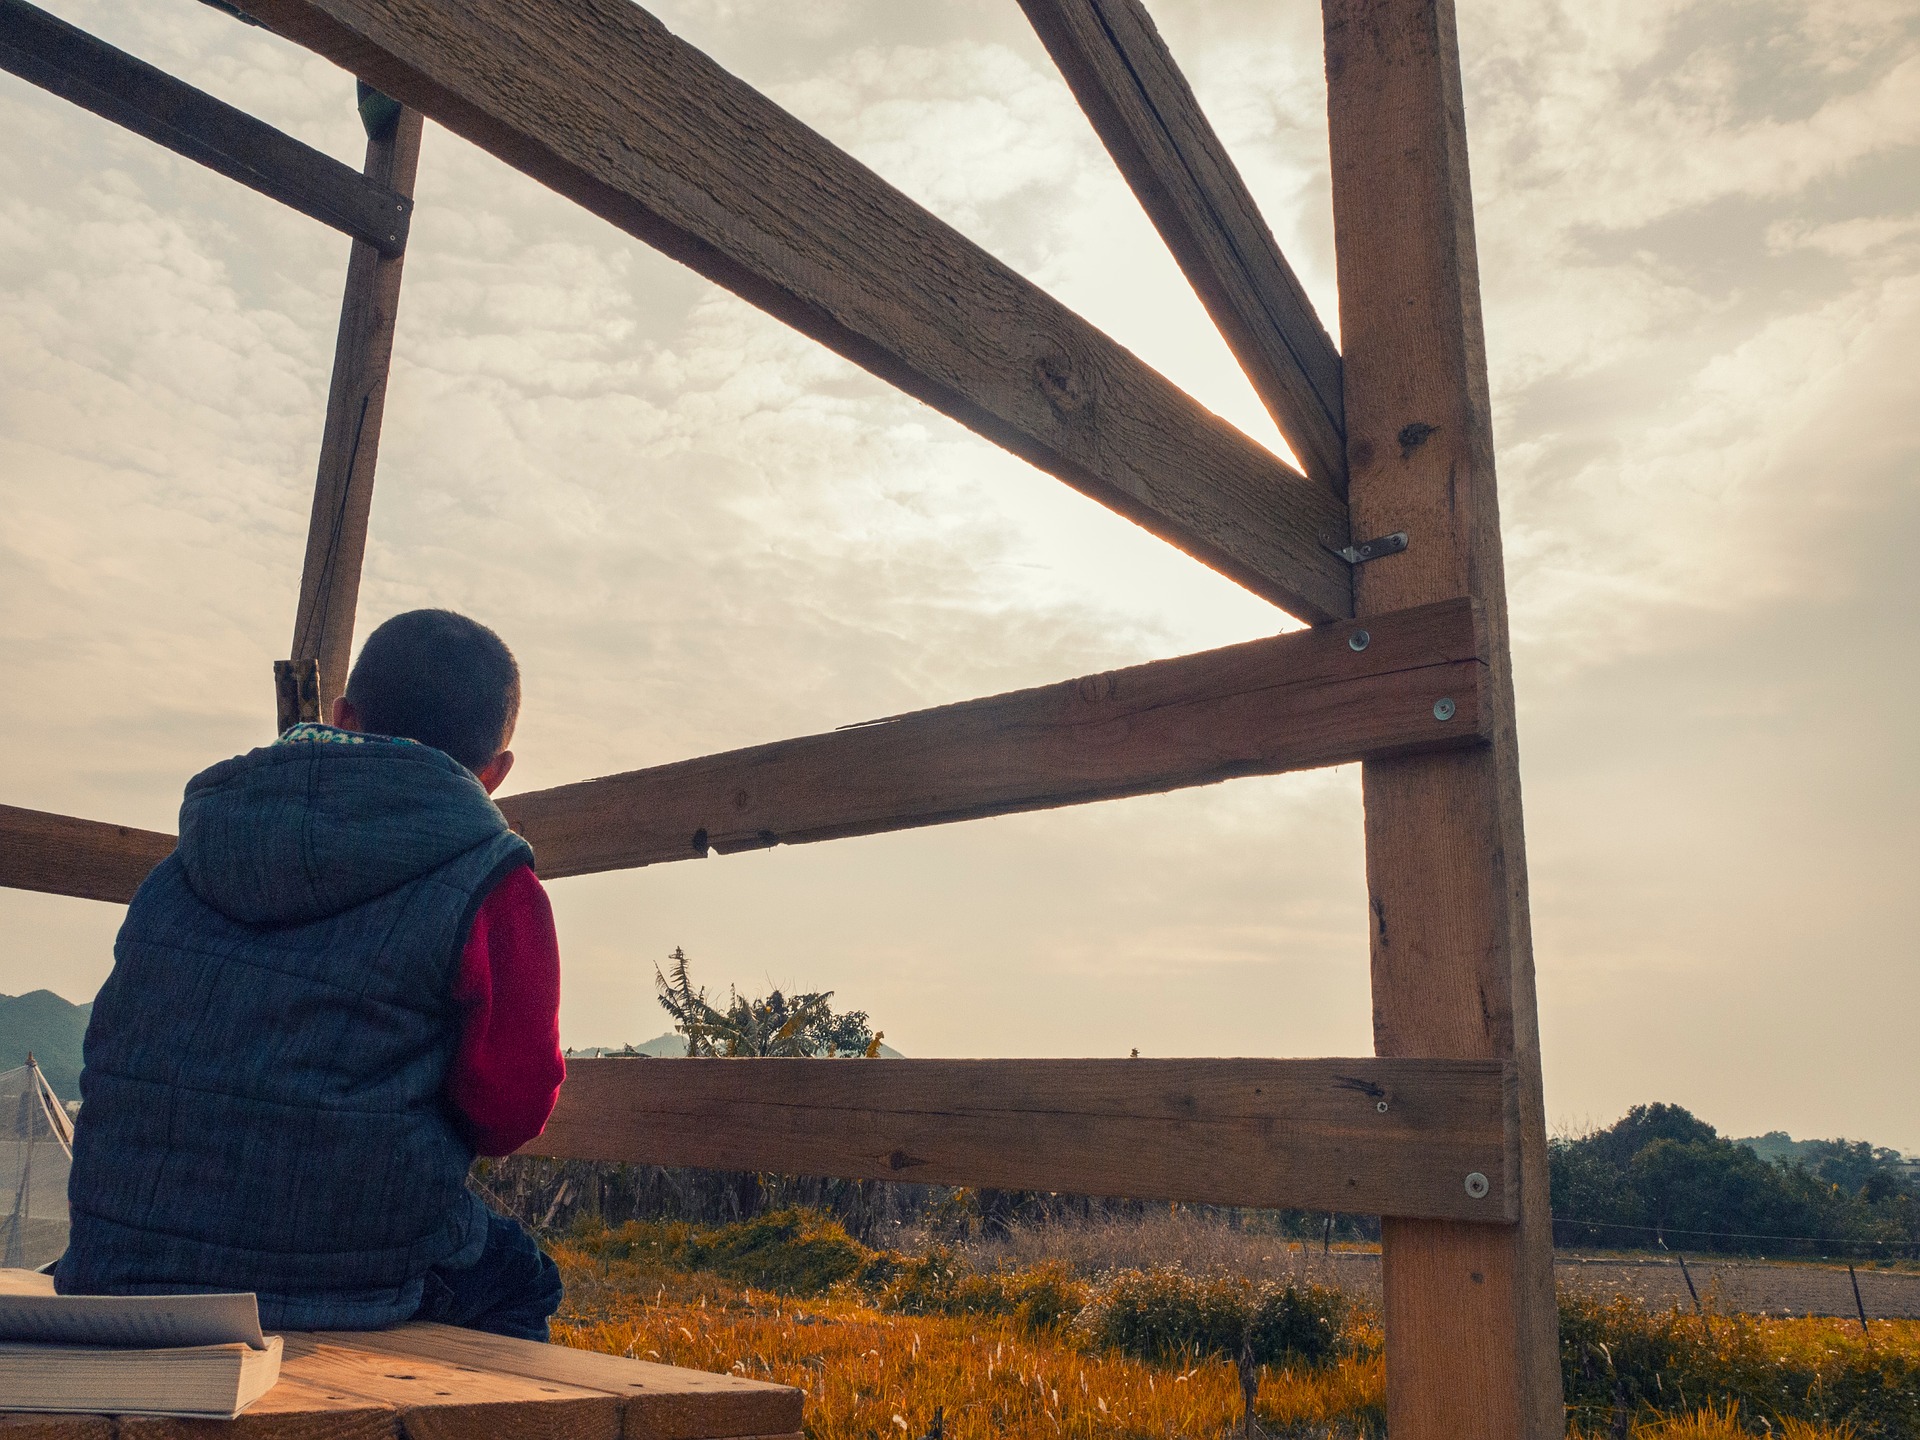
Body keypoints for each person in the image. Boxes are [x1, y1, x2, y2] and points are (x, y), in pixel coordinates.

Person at [56, 610, 566, 1341]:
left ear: (343, 717)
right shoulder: (495, 884)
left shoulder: (194, 852)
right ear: (497, 773)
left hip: (117, 1255)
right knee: (523, 1281)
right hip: (344, 1267)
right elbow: (509, 1112)